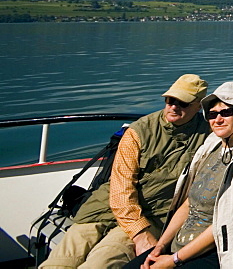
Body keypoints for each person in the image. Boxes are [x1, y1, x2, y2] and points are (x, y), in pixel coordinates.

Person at [41, 75, 211, 269]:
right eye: (170, 100)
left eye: (183, 103)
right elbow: (121, 189)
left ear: (198, 106)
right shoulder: (139, 131)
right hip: (102, 208)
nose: (173, 107)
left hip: (151, 215)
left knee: (100, 263)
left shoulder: (209, 134)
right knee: (59, 262)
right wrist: (140, 235)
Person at [128, 82, 233, 269]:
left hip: (218, 252)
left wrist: (173, 260)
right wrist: (161, 245)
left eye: (226, 112)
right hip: (178, 246)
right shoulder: (211, 148)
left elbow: (224, 224)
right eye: (212, 114)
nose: (217, 119)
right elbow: (188, 203)